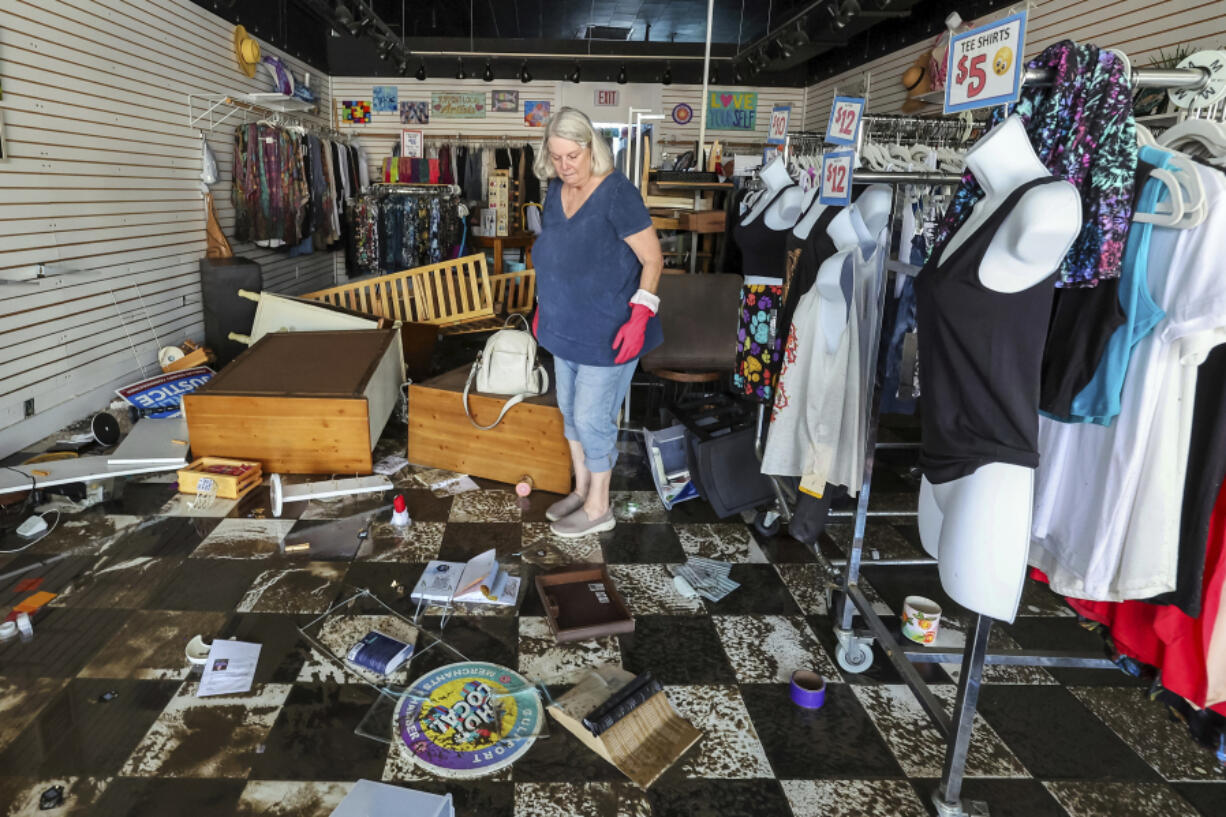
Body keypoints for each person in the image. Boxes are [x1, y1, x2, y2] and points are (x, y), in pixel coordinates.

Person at [530, 107, 664, 538]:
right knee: (569, 414)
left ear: (591, 148)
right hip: (564, 325)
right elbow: (557, 252)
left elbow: (652, 258)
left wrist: (640, 316)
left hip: (610, 331)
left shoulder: (617, 193)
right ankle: (583, 488)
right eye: (556, 157)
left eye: (572, 156)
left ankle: (599, 507)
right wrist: (542, 306)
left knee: (592, 419)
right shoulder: (554, 190)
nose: (565, 167)